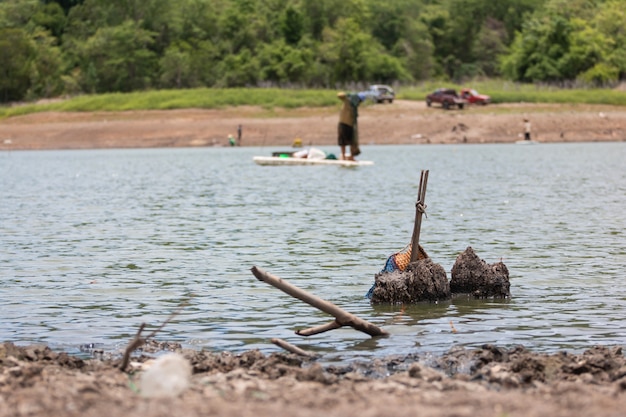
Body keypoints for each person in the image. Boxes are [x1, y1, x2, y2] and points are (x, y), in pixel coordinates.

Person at [337, 91, 363, 160]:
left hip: (351, 125)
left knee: (352, 141)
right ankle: (343, 156)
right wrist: (347, 95)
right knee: (342, 142)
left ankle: (352, 156)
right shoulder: (347, 101)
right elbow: (339, 95)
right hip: (343, 123)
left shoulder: (354, 107)